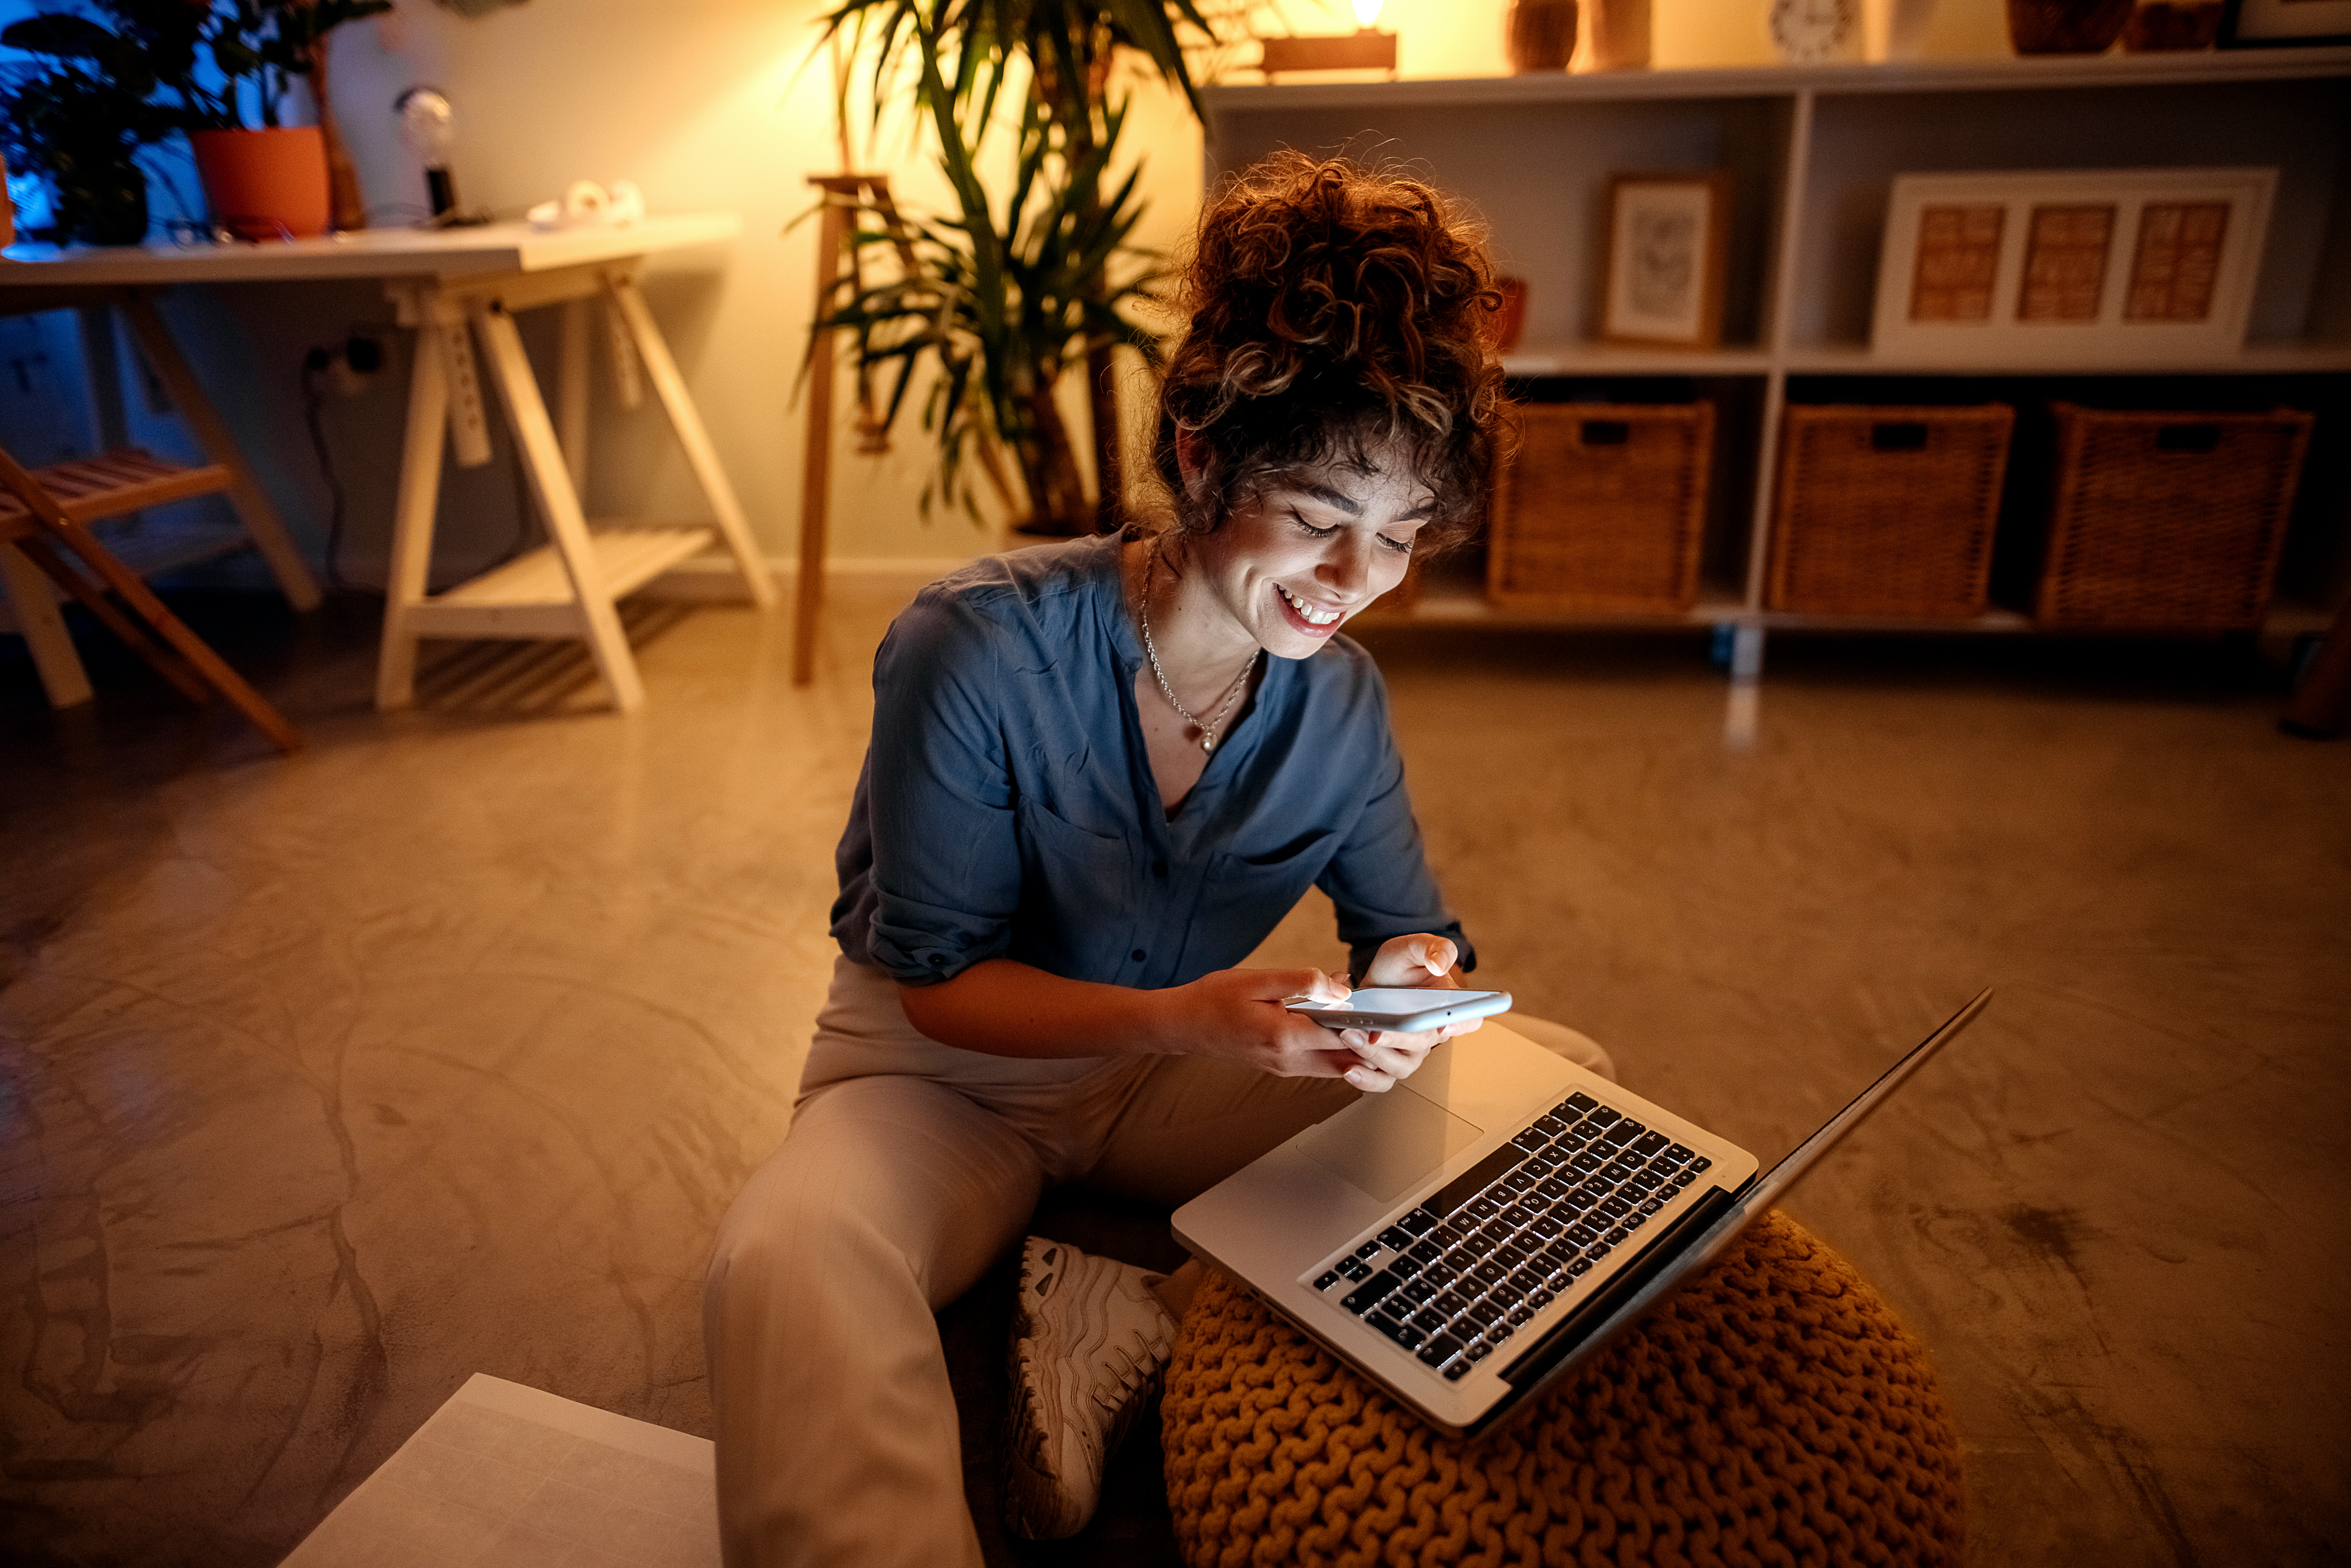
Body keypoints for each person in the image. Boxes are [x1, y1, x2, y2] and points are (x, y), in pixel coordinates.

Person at [701, 152, 1614, 1568]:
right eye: (1316, 517)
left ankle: (1131, 1312)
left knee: (1562, 1086)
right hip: (937, 1081)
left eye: (1397, 538)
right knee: (786, 1258)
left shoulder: (1342, 699)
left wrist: (1405, 988)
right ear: (1202, 458)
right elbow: (938, 989)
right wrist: (1197, 1019)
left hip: (1163, 1083)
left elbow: (1405, 929)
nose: (1350, 577)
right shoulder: (975, 646)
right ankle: (1160, 1299)